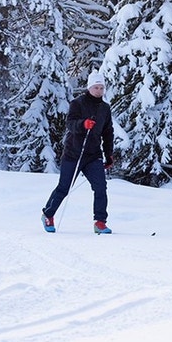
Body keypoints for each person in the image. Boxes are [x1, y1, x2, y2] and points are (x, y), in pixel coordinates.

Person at [42, 70, 115, 234]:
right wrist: (83, 124)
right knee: (64, 188)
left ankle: (100, 222)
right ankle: (48, 214)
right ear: (89, 87)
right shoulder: (78, 103)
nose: (99, 91)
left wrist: (108, 154)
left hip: (93, 155)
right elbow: (70, 123)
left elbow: (107, 132)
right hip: (74, 153)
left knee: (100, 187)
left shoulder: (105, 108)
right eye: (96, 87)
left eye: (101, 88)